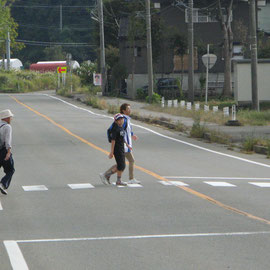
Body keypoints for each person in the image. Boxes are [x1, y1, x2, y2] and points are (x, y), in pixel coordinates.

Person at [100, 113, 131, 186]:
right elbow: (113, 141)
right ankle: (106, 175)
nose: (121, 121)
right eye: (119, 120)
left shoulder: (121, 127)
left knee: (121, 165)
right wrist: (112, 152)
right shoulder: (115, 129)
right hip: (117, 149)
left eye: (122, 119)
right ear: (116, 121)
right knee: (121, 165)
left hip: (121, 148)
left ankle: (117, 180)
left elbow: (122, 138)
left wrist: (127, 145)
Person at [120, 103, 140, 184]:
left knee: (121, 163)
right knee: (130, 161)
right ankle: (131, 179)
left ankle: (106, 174)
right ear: (123, 111)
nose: (130, 110)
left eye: (130, 108)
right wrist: (125, 143)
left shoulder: (127, 119)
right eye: (128, 109)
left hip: (127, 144)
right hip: (125, 145)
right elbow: (121, 131)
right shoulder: (124, 120)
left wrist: (132, 135)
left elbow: (128, 130)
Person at [0, 109, 15, 195]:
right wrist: (8, 152)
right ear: (6, 118)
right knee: (10, 170)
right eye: (10, 117)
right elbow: (8, 141)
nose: (11, 119)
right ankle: (3, 184)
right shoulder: (7, 127)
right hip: (3, 151)